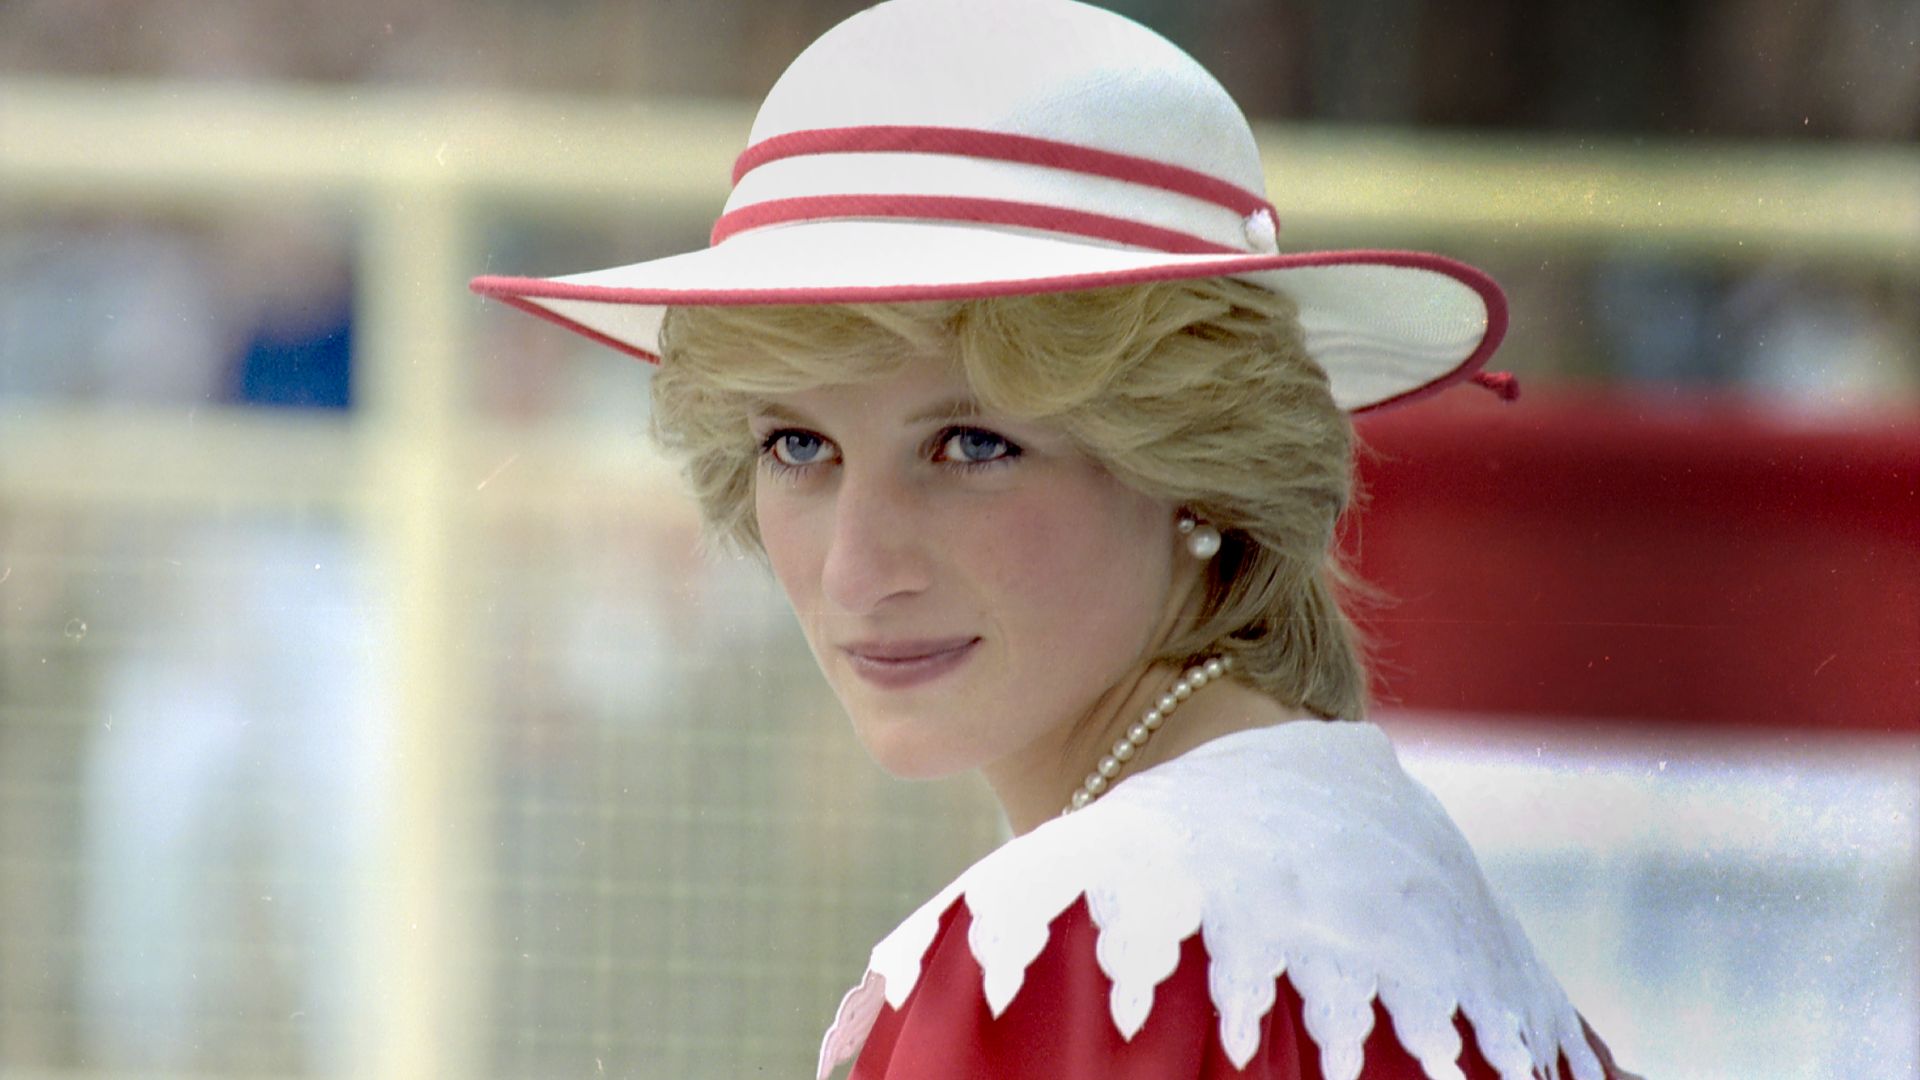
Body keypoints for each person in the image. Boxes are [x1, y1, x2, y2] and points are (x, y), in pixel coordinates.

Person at [471, 1, 1636, 1076]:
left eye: (972, 446)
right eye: (798, 447)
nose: (857, 570)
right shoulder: (1441, 926)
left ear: (1199, 466)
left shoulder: (1060, 963)